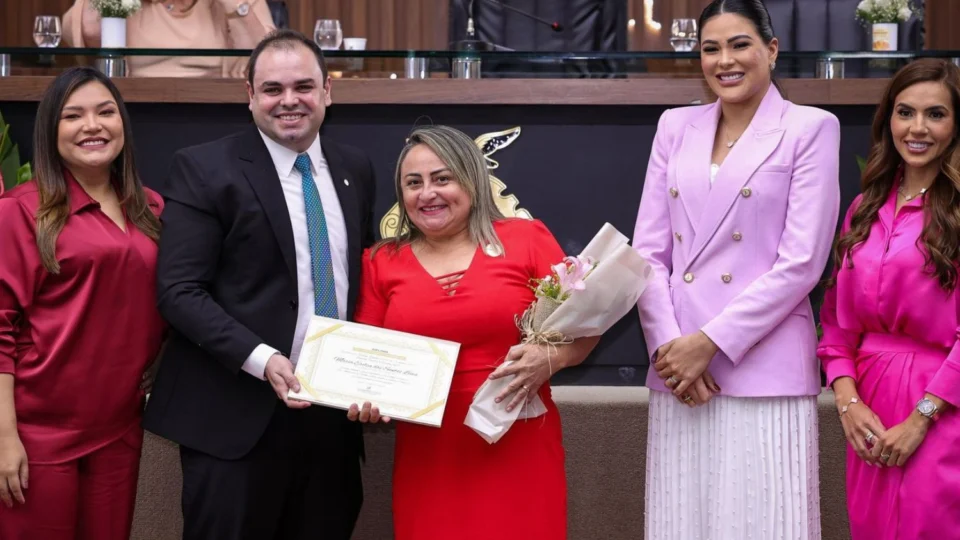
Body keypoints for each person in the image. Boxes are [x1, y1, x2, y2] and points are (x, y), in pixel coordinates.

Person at [141, 29, 376, 540]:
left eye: (303, 86)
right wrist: (262, 358)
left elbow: (365, 282)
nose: (289, 100)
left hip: (330, 423)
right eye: (272, 88)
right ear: (249, 95)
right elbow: (179, 290)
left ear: (327, 91)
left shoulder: (354, 169)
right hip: (234, 419)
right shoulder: (204, 168)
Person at [632, 0, 841, 538]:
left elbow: (802, 263)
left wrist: (709, 343)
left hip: (763, 365)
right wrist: (671, 350)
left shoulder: (810, 128)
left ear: (771, 50)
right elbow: (648, 254)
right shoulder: (675, 126)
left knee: (763, 520)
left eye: (739, 44)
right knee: (683, 522)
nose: (725, 60)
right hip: (682, 374)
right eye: (711, 49)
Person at [350, 125, 599, 540]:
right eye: (413, 183)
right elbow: (365, 358)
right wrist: (364, 396)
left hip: (518, 440)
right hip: (429, 457)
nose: (427, 193)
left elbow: (586, 327)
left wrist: (550, 359)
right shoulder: (380, 261)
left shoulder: (526, 238)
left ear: (471, 180)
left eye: (442, 178)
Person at [0, 66, 165, 540]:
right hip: (37, 433)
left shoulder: (151, 209)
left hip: (118, 427)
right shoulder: (20, 211)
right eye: (73, 116)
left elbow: (174, 297)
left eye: (105, 112)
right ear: (51, 132)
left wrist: (161, 356)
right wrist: (4, 437)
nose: (92, 125)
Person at [818, 58, 960, 540]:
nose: (917, 128)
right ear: (888, 120)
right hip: (869, 412)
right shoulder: (865, 207)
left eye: (935, 114)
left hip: (943, 405)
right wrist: (848, 402)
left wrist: (922, 418)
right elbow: (835, 322)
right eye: (905, 112)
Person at [63, 0, 275, 77]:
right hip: (134, 111)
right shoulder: (129, 4)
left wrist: (237, 5)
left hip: (217, 112)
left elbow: (266, 64)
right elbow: (89, 31)